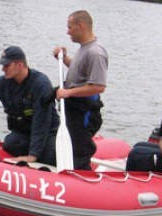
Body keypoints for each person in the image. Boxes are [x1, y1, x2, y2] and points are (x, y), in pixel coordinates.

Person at [53, 10, 108, 170]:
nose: (67, 31)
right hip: (74, 110)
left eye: (70, 27)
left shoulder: (95, 53)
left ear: (80, 26)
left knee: (79, 150)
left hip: (85, 113)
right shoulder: (84, 48)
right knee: (72, 148)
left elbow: (99, 86)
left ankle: (82, 179)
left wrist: (68, 92)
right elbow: (81, 72)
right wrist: (64, 59)